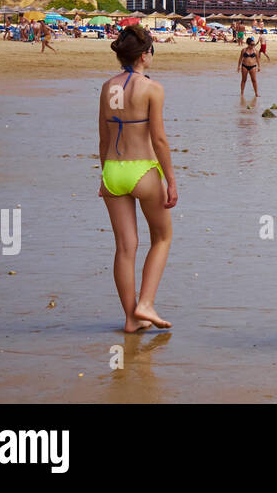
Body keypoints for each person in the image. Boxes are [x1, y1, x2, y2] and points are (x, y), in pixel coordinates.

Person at [98, 25, 177, 332]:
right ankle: (145, 303)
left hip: (113, 171)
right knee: (162, 238)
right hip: (143, 170)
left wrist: (103, 175)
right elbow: (158, 139)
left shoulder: (107, 87)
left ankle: (131, 319)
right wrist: (171, 179)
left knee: (125, 246)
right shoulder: (152, 88)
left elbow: (103, 138)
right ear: (145, 55)